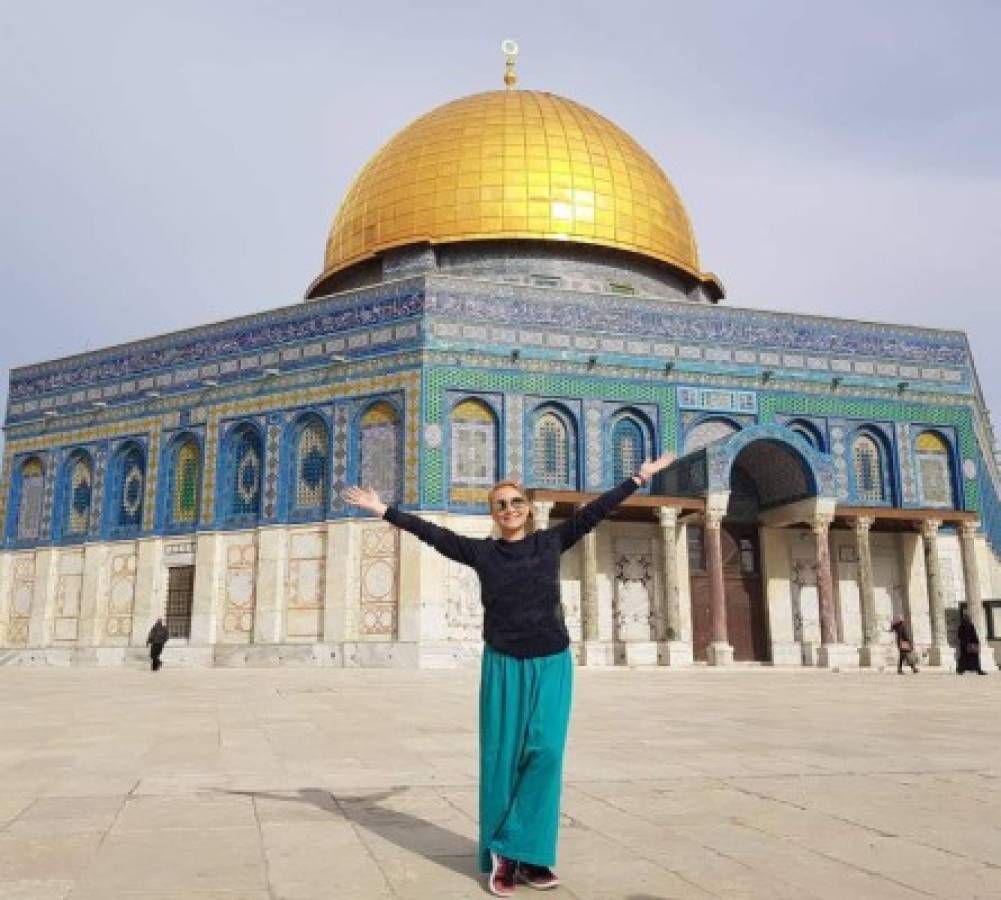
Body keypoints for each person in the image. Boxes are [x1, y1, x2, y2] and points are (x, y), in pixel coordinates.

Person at [344, 452, 674, 897]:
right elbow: (434, 534)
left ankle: (526, 848)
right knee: (502, 762)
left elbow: (596, 511)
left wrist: (638, 478)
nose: (510, 509)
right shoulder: (482, 553)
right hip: (503, 665)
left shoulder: (550, 543)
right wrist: (385, 510)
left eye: (516, 501)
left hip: (551, 663)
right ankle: (511, 859)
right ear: (493, 514)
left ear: (526, 506)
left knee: (547, 755)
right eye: (500, 504)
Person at [956, 610, 986, 675]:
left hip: (970, 644)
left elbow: (974, 635)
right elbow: (961, 636)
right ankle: (961, 670)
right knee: (965, 657)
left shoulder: (970, 626)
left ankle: (976, 670)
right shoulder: (962, 627)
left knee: (973, 657)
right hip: (967, 645)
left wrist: (976, 643)